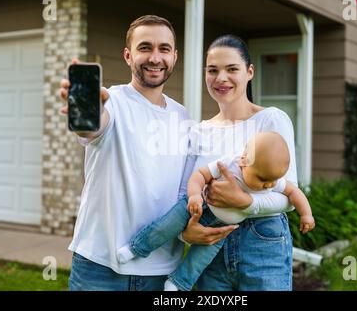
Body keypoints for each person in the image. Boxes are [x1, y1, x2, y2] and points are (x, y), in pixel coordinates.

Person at [59, 15, 237, 291]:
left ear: (174, 57)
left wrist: (189, 229)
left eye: (163, 49)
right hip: (99, 269)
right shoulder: (112, 101)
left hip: (163, 272)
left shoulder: (182, 116)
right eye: (145, 48)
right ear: (128, 56)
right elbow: (94, 128)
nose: (155, 57)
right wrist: (88, 115)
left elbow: (184, 190)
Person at [175, 34, 299, 291]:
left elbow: (289, 196)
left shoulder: (271, 120)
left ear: (249, 71)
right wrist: (185, 233)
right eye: (213, 70)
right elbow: (183, 192)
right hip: (209, 250)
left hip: (262, 243)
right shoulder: (198, 131)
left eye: (232, 69)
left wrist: (246, 202)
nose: (221, 78)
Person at [116, 131, 314, 291]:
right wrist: (194, 196)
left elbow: (292, 192)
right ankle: (137, 247)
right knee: (166, 226)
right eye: (263, 180)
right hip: (199, 204)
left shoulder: (270, 177)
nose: (268, 185)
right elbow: (199, 175)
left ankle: (178, 284)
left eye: (273, 180)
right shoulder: (230, 164)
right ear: (244, 161)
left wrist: (306, 214)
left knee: (200, 259)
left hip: (223, 226)